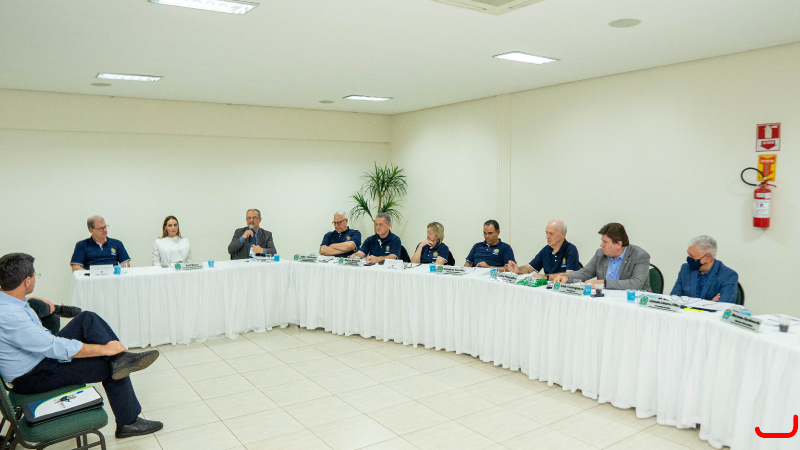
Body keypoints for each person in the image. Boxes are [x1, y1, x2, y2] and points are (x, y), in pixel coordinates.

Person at [0, 253, 163, 438]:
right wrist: (104, 349)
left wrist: (28, 299)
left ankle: (120, 359)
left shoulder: (9, 299)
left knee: (87, 319)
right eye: (35, 275)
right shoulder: (10, 316)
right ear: (27, 281)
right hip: (33, 376)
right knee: (108, 365)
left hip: (37, 358)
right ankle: (129, 422)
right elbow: (54, 347)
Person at [554, 222, 651, 291]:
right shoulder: (600, 253)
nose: (601, 245)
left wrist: (604, 283)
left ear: (618, 244)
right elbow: (585, 273)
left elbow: (635, 284)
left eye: (605, 242)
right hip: (606, 299)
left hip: (634, 302)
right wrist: (567, 278)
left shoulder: (640, 256)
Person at [671, 235, 739, 303]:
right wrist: (709, 302)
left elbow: (723, 305)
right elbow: (673, 299)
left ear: (708, 258)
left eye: (692, 256)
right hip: (685, 310)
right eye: (688, 254)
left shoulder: (728, 275)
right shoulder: (685, 269)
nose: (688, 258)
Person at [508, 220, 579, 280]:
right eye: (546, 233)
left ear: (563, 234)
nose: (547, 237)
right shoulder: (546, 249)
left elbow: (570, 274)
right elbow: (529, 268)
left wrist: (546, 277)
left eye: (551, 233)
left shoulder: (571, 249)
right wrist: (518, 270)